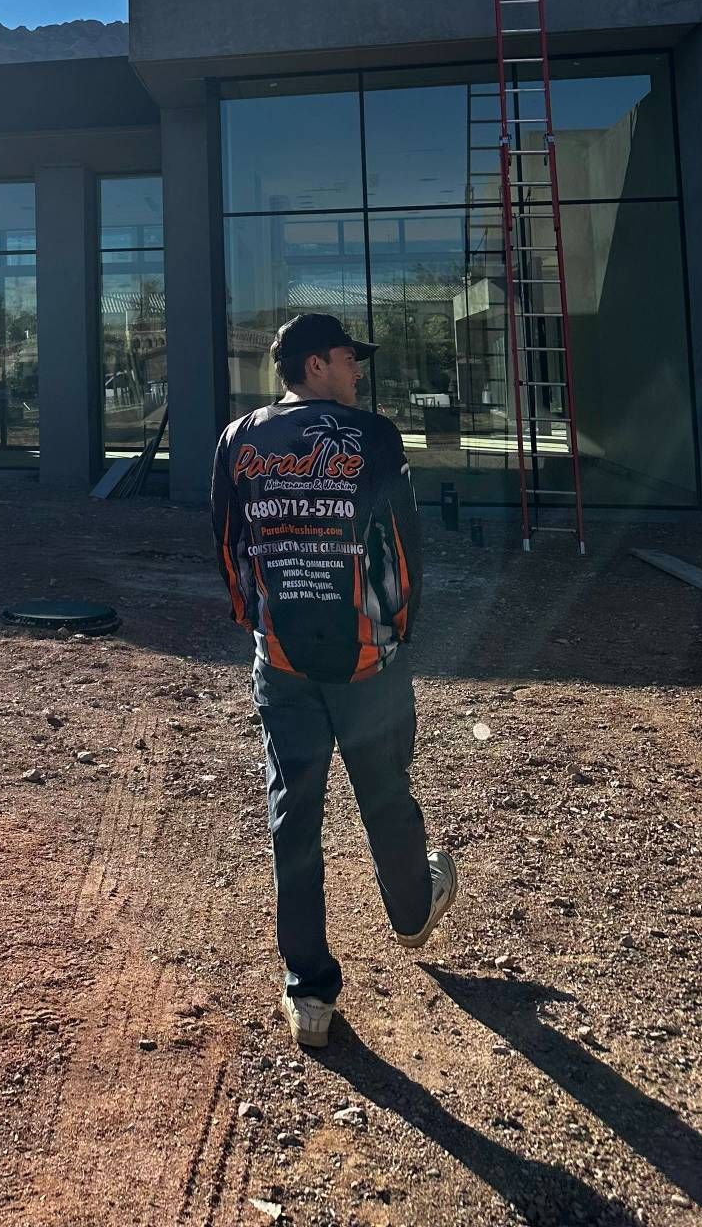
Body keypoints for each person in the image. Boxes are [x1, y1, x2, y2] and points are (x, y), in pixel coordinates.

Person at [210, 312, 458, 1049]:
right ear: (317, 365)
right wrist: (400, 630)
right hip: (366, 660)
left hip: (281, 662)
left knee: (294, 819)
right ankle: (413, 913)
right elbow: (406, 549)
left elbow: (228, 546)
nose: (358, 373)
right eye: (351, 359)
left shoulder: (238, 440)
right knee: (386, 795)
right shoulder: (373, 438)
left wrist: (255, 623)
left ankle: (308, 992)